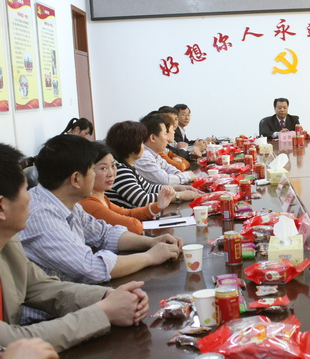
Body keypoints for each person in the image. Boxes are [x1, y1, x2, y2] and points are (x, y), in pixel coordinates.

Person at [0, 142, 149, 352]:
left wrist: (107, 297)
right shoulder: (39, 214)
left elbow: (43, 287)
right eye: (25, 190)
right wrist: (103, 312)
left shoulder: (8, 243)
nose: (30, 197)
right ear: (2, 207)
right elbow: (12, 341)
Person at [19, 135, 182, 288]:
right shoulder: (42, 215)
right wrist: (150, 257)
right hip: (58, 304)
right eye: (93, 169)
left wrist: (152, 242)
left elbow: (105, 234)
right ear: (76, 179)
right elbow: (92, 267)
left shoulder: (68, 203)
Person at [79, 143, 175, 234]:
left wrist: (158, 206)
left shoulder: (102, 198)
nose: (111, 173)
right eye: (103, 168)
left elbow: (128, 213)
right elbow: (133, 226)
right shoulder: (89, 203)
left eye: (113, 165)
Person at [104, 121, 200, 209]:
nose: (143, 147)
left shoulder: (129, 167)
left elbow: (149, 188)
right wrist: (179, 195)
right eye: (141, 143)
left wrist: (180, 188)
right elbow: (143, 199)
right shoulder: (120, 170)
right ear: (131, 145)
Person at [134, 114, 195, 185]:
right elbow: (165, 181)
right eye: (165, 134)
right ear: (153, 138)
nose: (167, 138)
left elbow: (168, 168)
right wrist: (188, 176)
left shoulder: (154, 154)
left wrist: (179, 174)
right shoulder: (143, 157)